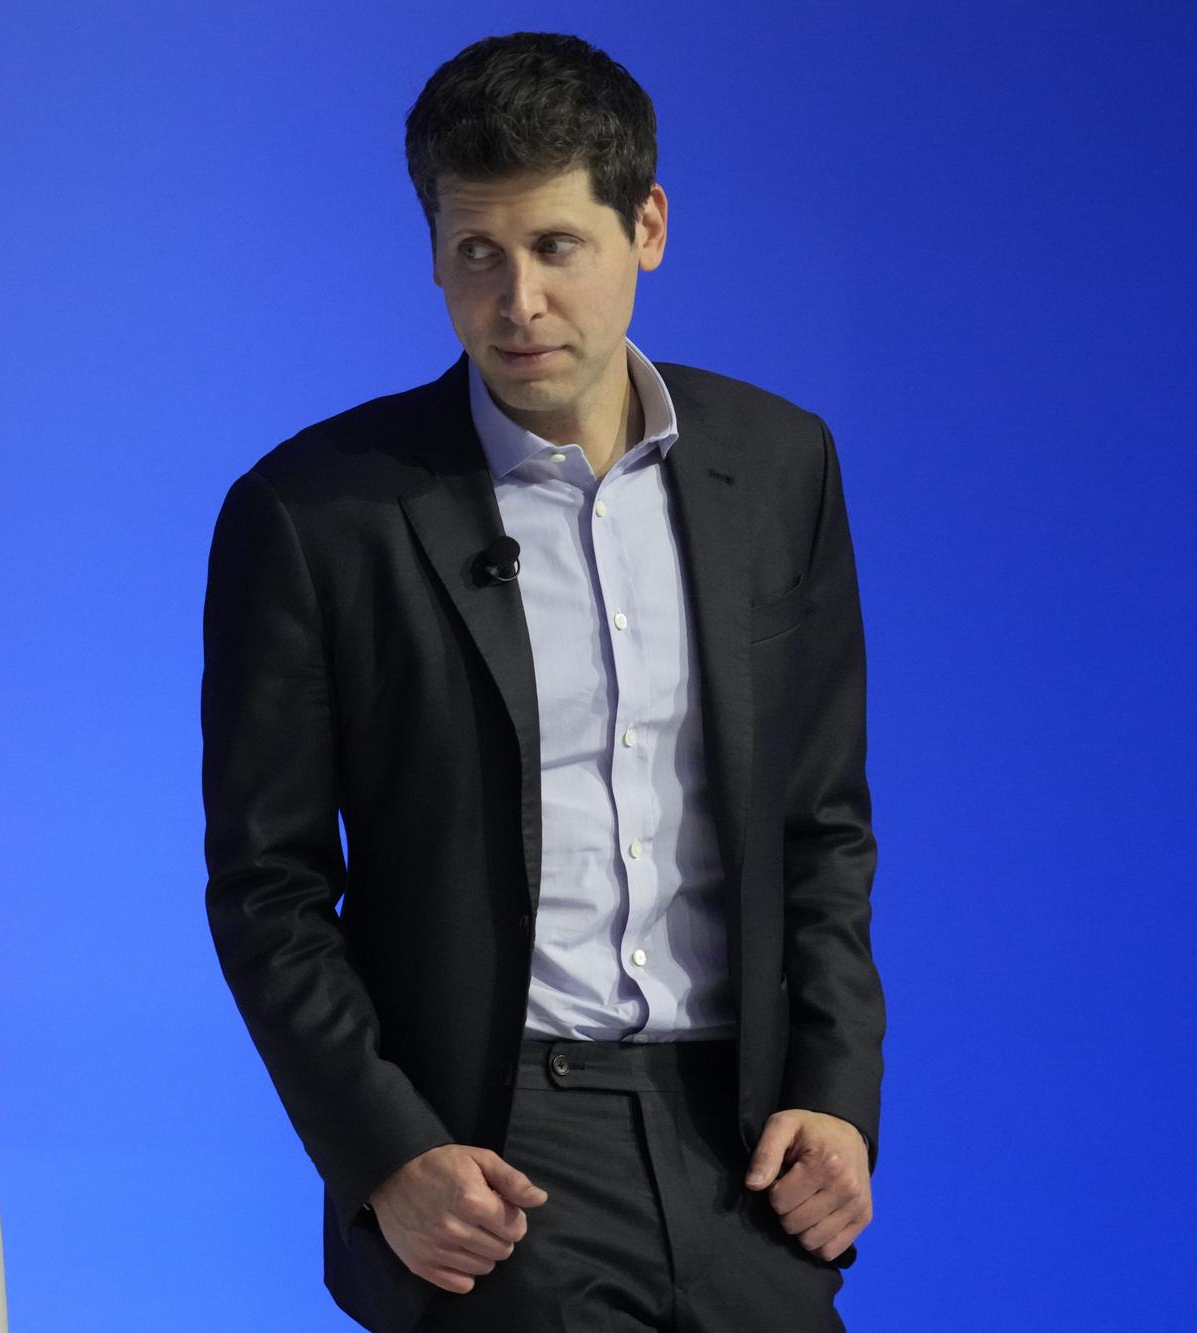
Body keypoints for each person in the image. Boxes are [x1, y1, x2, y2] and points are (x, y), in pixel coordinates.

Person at [201, 31, 885, 1333]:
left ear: (649, 228)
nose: (516, 303)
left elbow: (821, 823)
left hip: (740, 1147)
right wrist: (386, 1151)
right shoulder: (316, 512)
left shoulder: (780, 466)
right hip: (498, 1153)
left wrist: (836, 1086)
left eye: (557, 247)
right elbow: (269, 885)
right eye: (476, 254)